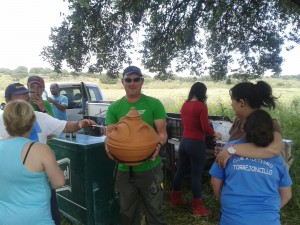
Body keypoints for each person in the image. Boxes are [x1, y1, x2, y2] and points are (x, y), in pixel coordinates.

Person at [0, 83, 96, 225]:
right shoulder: (41, 150)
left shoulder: (39, 116)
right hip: (35, 198)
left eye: (26, 96)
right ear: (7, 100)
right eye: (19, 97)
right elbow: (59, 182)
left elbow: (63, 126)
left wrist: (79, 124)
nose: (25, 99)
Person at [105, 66, 168, 225]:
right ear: (123, 82)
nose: (132, 83)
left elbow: (162, 134)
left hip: (150, 167)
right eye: (128, 80)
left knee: (154, 212)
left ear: (142, 81)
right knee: (127, 214)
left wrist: (158, 145)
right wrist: (108, 146)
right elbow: (110, 136)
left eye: (136, 79)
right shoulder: (115, 108)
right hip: (124, 170)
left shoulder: (154, 104)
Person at [209, 109, 292, 225]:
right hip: (268, 220)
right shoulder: (277, 158)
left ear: (244, 128)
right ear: (271, 131)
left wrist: (227, 204)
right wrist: (268, 211)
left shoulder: (228, 149)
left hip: (233, 219)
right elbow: (287, 194)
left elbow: (215, 182)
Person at [0, 99, 65, 225]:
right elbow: (59, 182)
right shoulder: (40, 150)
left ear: (6, 121)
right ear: (32, 121)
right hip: (37, 219)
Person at [171, 82, 221, 216]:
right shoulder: (201, 106)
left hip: (184, 142)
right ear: (203, 93)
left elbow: (188, 121)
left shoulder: (185, 105)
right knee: (196, 175)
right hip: (196, 143)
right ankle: (198, 208)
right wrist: (215, 133)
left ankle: (175, 199)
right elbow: (204, 127)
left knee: (180, 170)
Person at [215, 81, 284, 168]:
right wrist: (223, 151)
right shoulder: (238, 121)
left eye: (232, 100)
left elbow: (274, 149)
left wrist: (230, 150)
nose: (231, 104)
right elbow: (235, 146)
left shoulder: (271, 123)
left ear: (241, 103)